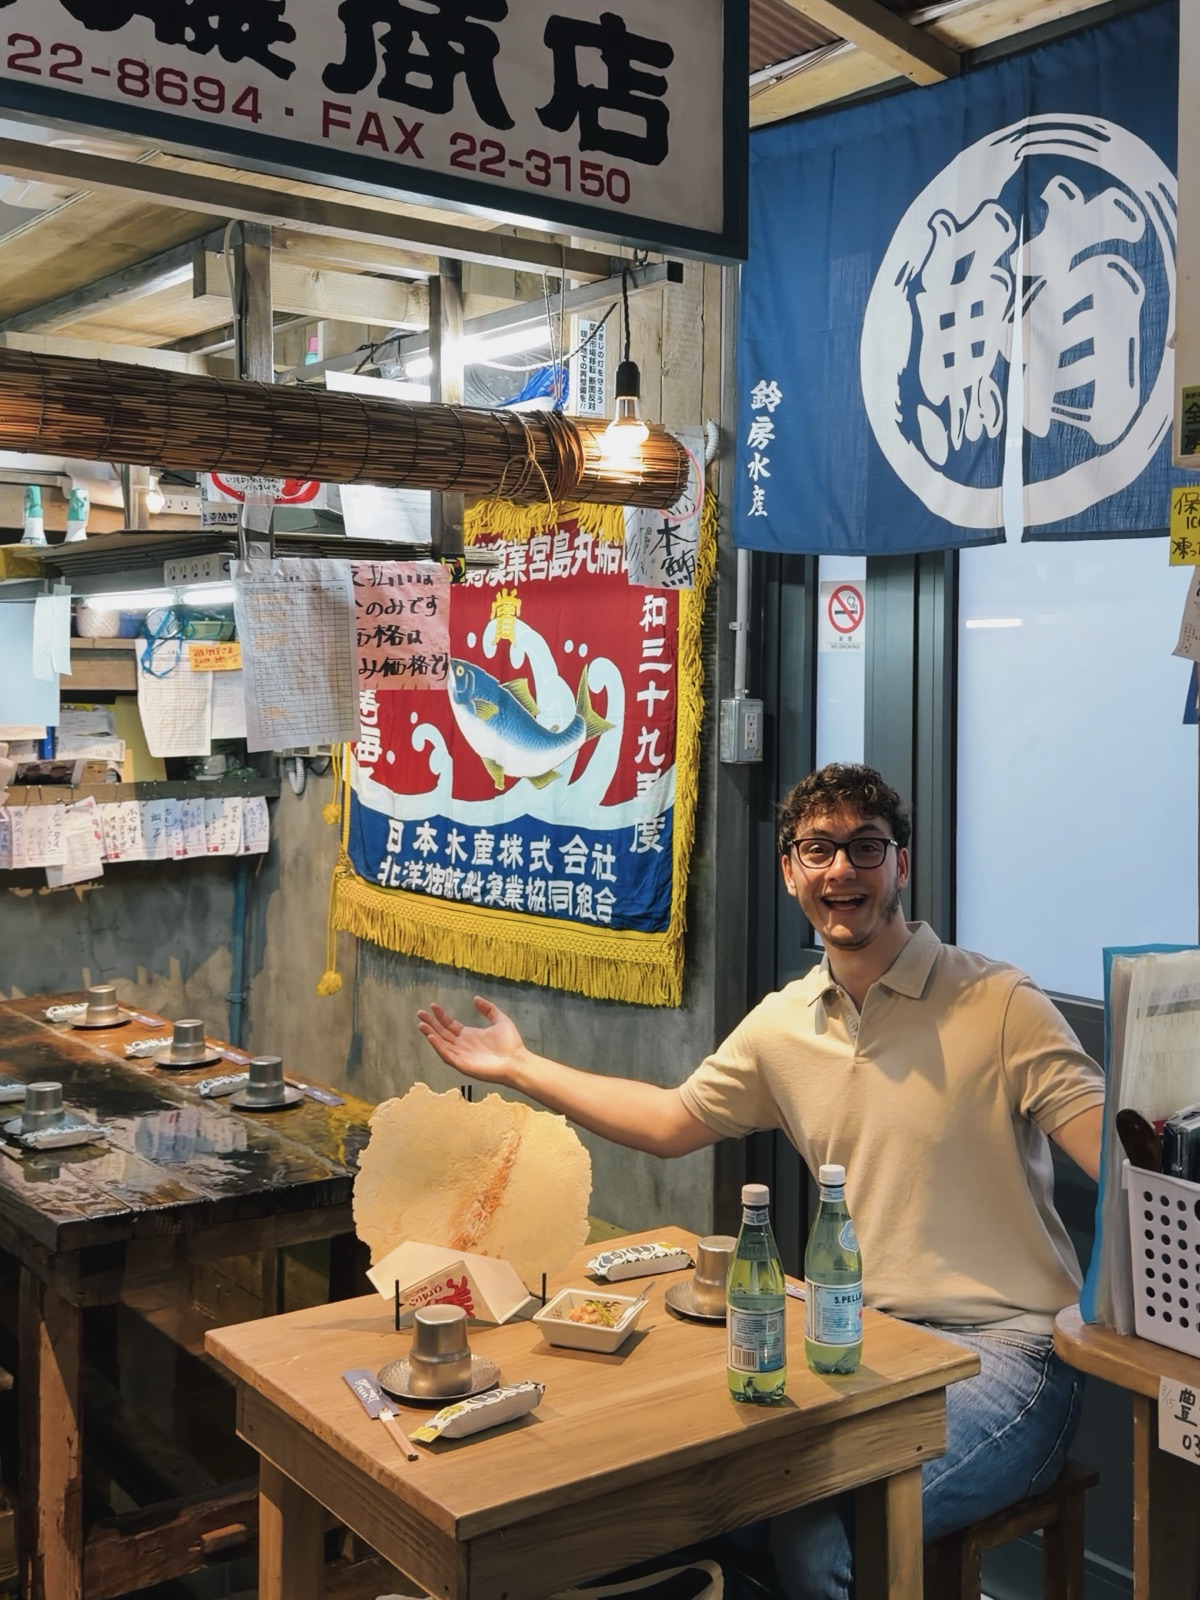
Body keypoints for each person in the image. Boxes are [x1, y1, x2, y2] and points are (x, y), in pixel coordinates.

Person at [417, 762, 1105, 1600]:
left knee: (820, 1544)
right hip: (852, 1336)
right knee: (684, 1482)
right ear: (790, 871)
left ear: (902, 866)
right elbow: (672, 1121)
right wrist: (522, 1068)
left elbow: (1121, 1158)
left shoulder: (999, 1003)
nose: (841, 870)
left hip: (1009, 1355)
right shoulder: (785, 1023)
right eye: (818, 849)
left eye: (866, 847)